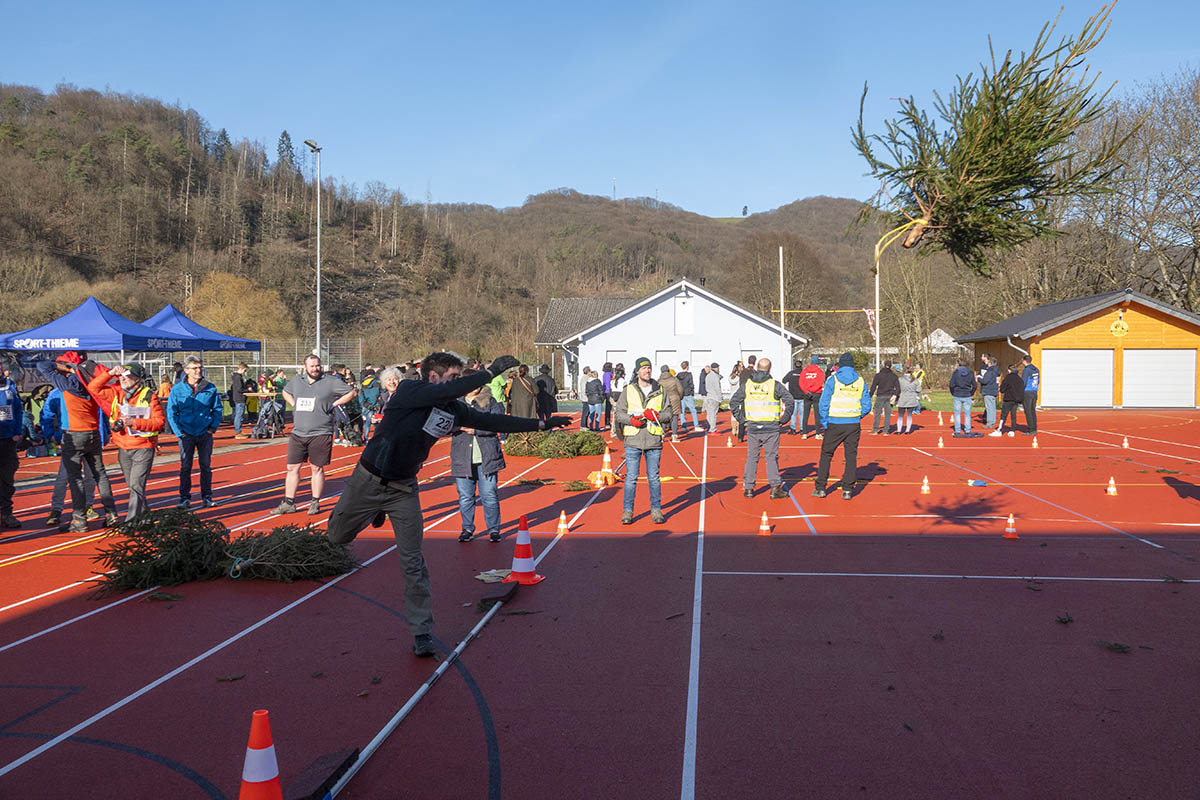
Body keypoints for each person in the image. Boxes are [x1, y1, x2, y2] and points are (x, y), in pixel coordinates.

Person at [326, 353, 568, 657]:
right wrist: (491, 372)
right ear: (434, 377)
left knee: (413, 563)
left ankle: (421, 632)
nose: (458, 384)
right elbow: (444, 392)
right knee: (337, 537)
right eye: (453, 378)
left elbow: (492, 420)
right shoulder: (410, 391)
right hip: (369, 479)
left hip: (403, 489)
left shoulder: (454, 410)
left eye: (459, 378)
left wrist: (541, 424)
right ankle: (373, 510)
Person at [36, 352, 118, 531]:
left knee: (74, 478)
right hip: (93, 433)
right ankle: (111, 513)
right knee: (100, 474)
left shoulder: (67, 384)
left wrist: (65, 367)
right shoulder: (92, 383)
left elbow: (42, 366)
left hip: (74, 434)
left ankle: (79, 519)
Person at [273, 354, 357, 516]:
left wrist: (334, 404)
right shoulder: (297, 381)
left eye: (317, 365)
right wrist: (293, 403)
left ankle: (315, 502)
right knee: (292, 468)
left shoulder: (330, 381)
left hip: (321, 432)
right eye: (312, 366)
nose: (315, 368)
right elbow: (285, 392)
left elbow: (351, 393)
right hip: (298, 432)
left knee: (316, 468)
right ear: (305, 367)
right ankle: (289, 502)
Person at [87, 363, 165, 520]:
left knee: (136, 486)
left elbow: (159, 422)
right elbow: (93, 388)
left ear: (136, 379)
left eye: (127, 376)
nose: (122, 379)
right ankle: (146, 519)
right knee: (133, 487)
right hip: (123, 447)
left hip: (143, 448)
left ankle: (130, 522)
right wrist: (110, 373)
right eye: (121, 376)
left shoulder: (149, 395)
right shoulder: (116, 393)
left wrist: (135, 423)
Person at [452, 373, 512, 542]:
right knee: (465, 496)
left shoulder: (490, 401)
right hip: (462, 457)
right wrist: (459, 427)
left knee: (489, 495)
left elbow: (497, 425)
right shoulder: (455, 404)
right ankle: (467, 528)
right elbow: (445, 424)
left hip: (487, 457)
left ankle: (493, 529)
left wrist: (476, 430)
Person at [614, 356, 673, 524]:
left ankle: (656, 510)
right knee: (631, 478)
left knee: (654, 478)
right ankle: (627, 511)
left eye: (649, 368)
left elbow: (669, 414)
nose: (647, 370)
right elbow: (619, 413)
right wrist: (631, 420)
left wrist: (656, 416)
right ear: (637, 371)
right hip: (633, 440)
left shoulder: (660, 390)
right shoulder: (628, 390)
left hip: (653, 440)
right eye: (644, 368)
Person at [729, 357, 793, 499]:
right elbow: (790, 400)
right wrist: (784, 419)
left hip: (753, 427)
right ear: (770, 369)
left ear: (757, 367)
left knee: (752, 457)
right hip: (770, 427)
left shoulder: (748, 385)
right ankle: (775, 487)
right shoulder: (774, 385)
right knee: (771, 457)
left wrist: (742, 420)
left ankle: (749, 488)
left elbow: (733, 402)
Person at [167, 356, 224, 509]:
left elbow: (217, 409)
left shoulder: (209, 387)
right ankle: (184, 498)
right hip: (186, 434)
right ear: (186, 371)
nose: (198, 371)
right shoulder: (177, 389)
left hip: (204, 433)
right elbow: (171, 412)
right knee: (186, 467)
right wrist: (179, 432)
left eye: (200, 368)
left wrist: (212, 427)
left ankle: (207, 496)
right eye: (194, 368)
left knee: (205, 466)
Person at [813, 352, 872, 500]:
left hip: (834, 423)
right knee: (851, 456)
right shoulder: (860, 381)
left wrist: (824, 422)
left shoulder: (832, 380)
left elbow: (823, 403)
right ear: (852, 365)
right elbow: (867, 405)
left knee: (826, 454)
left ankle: (821, 487)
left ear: (840, 365)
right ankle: (847, 489)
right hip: (852, 423)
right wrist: (857, 415)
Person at [40, 388, 98, 528]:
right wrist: (51, 434)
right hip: (70, 440)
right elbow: (46, 414)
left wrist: (104, 433)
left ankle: (87, 505)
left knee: (90, 477)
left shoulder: (90, 388)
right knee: (63, 476)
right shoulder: (57, 393)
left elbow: (100, 412)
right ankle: (56, 509)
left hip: (91, 438)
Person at [0, 361, 23, 528]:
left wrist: (17, 431)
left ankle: (7, 513)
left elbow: (17, 409)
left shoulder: (9, 385)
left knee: (7, 478)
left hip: (8, 438)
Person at [797, 356, 827, 439]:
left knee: (805, 414)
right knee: (817, 414)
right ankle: (818, 433)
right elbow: (820, 382)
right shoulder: (820, 371)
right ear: (817, 362)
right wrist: (813, 390)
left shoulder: (804, 371)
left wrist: (807, 391)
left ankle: (804, 433)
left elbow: (801, 382)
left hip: (807, 394)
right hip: (816, 393)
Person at [948, 359, 979, 437]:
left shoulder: (956, 373)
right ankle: (967, 430)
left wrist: (953, 392)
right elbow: (975, 385)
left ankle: (957, 430)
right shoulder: (970, 373)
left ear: (958, 364)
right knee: (967, 414)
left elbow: (951, 384)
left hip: (958, 394)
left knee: (957, 414)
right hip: (967, 394)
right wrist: (971, 393)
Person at [869, 361, 900, 435]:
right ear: (891, 366)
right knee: (887, 414)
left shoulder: (878, 375)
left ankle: (875, 430)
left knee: (877, 413)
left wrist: (869, 396)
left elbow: (873, 386)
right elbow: (898, 388)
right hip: (889, 396)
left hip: (880, 395)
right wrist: (896, 395)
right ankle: (886, 431)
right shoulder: (894, 376)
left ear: (883, 365)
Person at [994, 363, 1025, 437]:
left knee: (1003, 415)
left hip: (1008, 399)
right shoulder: (1019, 379)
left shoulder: (1008, 378)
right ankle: (1012, 430)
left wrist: (1001, 388)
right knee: (1013, 415)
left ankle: (999, 430)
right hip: (1016, 400)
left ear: (1009, 370)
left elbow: (1002, 389)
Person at [658, 365, 684, 443]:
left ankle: (662, 436)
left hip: (664, 400)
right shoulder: (674, 379)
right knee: (674, 417)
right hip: (674, 399)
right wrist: (679, 397)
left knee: (663, 417)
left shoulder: (659, 381)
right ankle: (674, 436)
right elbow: (680, 390)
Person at [676, 361, 701, 434]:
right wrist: (692, 392)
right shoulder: (689, 375)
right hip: (688, 394)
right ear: (687, 366)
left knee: (682, 411)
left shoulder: (678, 375)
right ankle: (696, 426)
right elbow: (691, 384)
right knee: (693, 410)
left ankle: (684, 426)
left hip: (681, 395)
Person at [895, 367, 922, 434]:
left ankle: (899, 430)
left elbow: (897, 388)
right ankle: (907, 430)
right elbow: (919, 389)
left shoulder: (900, 379)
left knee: (900, 415)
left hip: (902, 398)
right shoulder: (915, 380)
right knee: (909, 415)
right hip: (911, 399)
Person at [978, 354, 1001, 429]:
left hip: (988, 390)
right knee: (992, 407)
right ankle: (992, 422)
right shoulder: (997, 372)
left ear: (990, 363)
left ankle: (990, 423)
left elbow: (985, 381)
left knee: (989, 408)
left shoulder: (990, 372)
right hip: (994, 390)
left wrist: (979, 379)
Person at [359, 367, 382, 441]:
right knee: (376, 422)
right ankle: (377, 438)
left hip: (366, 405)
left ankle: (365, 438)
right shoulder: (378, 383)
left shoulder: (363, 384)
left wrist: (365, 404)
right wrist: (377, 404)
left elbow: (361, 396)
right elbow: (382, 394)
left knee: (367, 423)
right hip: (375, 405)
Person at [782, 359, 805, 434]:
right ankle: (802, 429)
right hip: (802, 396)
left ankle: (793, 429)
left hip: (793, 396)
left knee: (793, 414)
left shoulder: (791, 373)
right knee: (802, 414)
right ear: (801, 365)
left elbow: (784, 380)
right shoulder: (804, 373)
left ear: (794, 365)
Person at [1020, 355, 1040, 435]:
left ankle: (1031, 429)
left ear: (1024, 361)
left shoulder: (1026, 370)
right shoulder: (1036, 369)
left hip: (1027, 392)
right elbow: (1037, 380)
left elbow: (1023, 382)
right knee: (1032, 410)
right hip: (1034, 391)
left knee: (1028, 411)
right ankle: (1034, 427)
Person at [230, 362, 249, 439]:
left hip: (238, 398)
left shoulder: (237, 377)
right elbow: (239, 389)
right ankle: (238, 432)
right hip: (239, 398)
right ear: (242, 369)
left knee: (238, 415)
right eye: (245, 370)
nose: (245, 372)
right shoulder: (238, 377)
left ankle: (239, 431)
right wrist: (247, 389)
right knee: (239, 415)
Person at [703, 363, 722, 433]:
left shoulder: (707, 376)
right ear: (715, 368)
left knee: (710, 413)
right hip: (715, 397)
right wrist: (720, 398)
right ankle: (713, 429)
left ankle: (710, 427)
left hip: (709, 396)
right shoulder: (715, 376)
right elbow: (717, 388)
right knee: (714, 414)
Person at [608, 364, 627, 436]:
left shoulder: (613, 381)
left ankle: (613, 431)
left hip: (614, 399)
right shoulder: (623, 381)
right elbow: (625, 391)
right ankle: (620, 431)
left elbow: (610, 391)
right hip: (621, 399)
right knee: (622, 416)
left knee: (615, 416)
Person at [728, 363, 744, 441]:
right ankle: (737, 429)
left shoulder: (730, 377)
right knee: (739, 413)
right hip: (738, 397)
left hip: (732, 396)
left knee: (733, 414)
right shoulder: (739, 378)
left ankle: (733, 429)